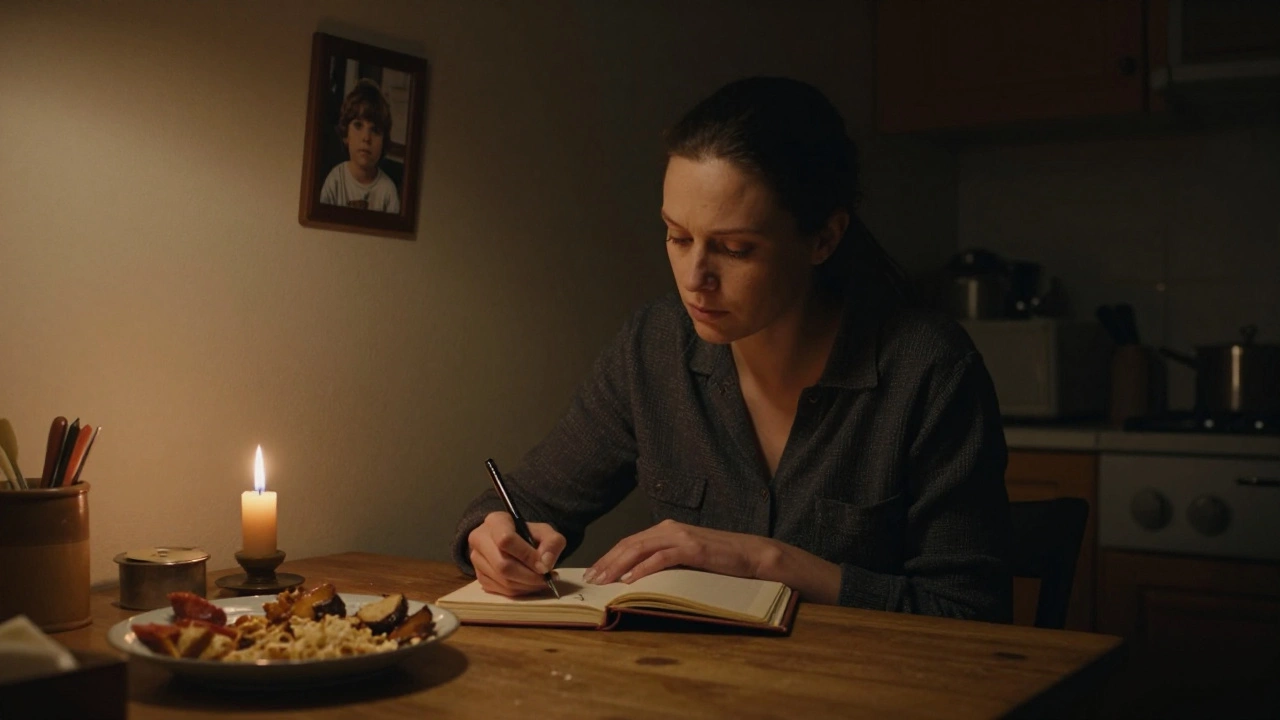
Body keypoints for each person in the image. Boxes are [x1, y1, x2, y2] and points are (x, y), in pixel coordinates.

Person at [452, 76, 1012, 622]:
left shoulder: (927, 369)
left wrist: (766, 561)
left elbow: (970, 611)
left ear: (823, 239)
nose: (695, 277)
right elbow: (520, 503)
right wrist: (496, 535)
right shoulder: (655, 348)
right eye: (677, 236)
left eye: (736, 248)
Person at [319, 78, 401, 213]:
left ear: (384, 141)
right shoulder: (335, 180)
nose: (366, 138)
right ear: (346, 135)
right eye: (358, 125)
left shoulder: (388, 191)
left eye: (375, 130)